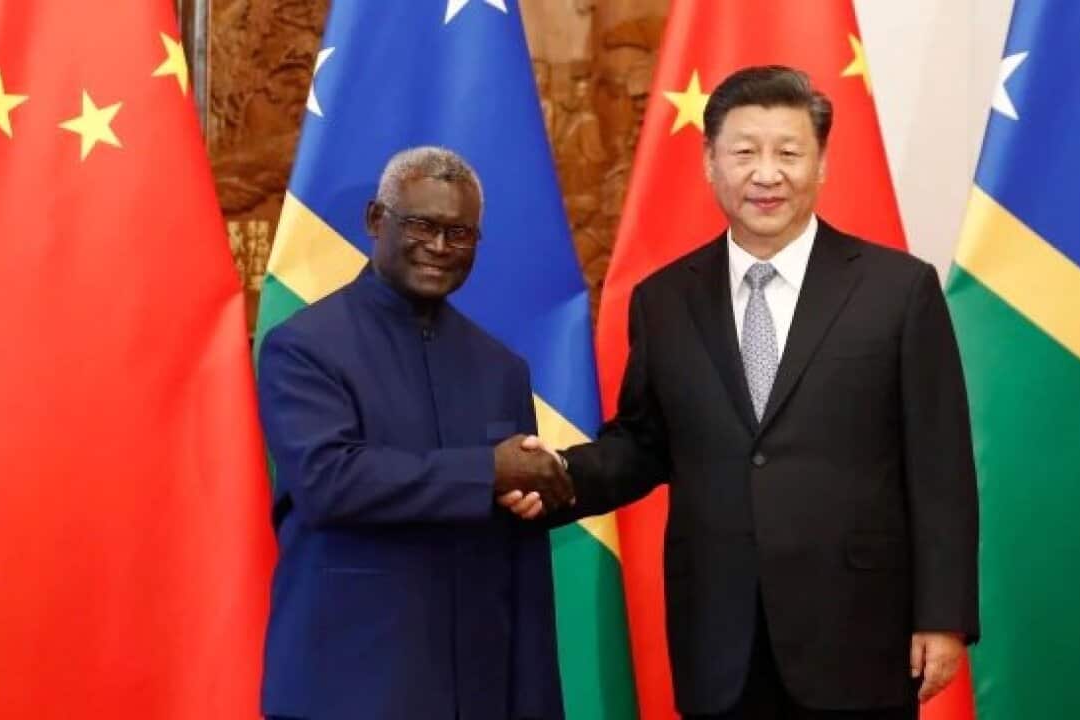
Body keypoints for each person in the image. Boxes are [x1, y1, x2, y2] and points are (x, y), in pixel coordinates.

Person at [525, 65, 980, 719]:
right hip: (720, 634)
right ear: (710, 163)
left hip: (858, 634)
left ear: (821, 164)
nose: (766, 174)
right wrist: (558, 477)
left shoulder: (897, 291)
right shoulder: (665, 300)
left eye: (788, 153)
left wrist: (943, 616)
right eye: (744, 152)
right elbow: (645, 443)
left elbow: (941, 468)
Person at [256, 146, 571, 720]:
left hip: (476, 687)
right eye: (422, 225)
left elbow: (519, 549)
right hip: (349, 687)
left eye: (460, 234)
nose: (439, 247)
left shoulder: (501, 367)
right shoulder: (304, 347)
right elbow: (330, 482)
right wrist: (489, 469)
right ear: (378, 220)